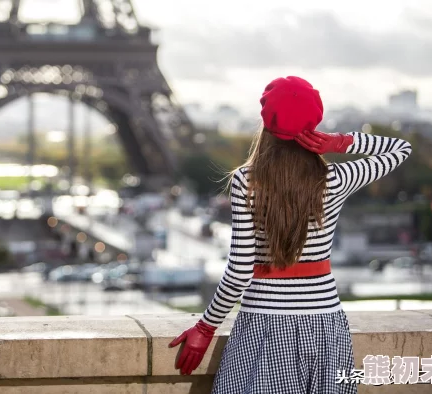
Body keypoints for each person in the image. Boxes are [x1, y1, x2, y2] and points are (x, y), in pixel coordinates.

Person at [168, 76, 412, 394]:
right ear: (314, 121)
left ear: (267, 122)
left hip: (266, 323)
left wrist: (206, 326)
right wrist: (340, 142)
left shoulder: (247, 181)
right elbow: (400, 149)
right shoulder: (336, 178)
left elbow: (241, 269)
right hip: (327, 324)